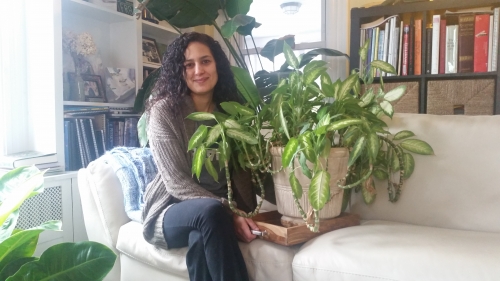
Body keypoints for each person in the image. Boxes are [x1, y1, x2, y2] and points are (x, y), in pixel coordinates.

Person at [142, 32, 267, 281]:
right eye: (189, 64)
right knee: (211, 212)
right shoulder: (164, 111)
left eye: (205, 61)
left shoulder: (231, 111)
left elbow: (251, 169)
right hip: (170, 211)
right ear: (180, 71)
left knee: (201, 239)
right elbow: (176, 182)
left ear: (217, 65)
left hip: (214, 216)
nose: (198, 70)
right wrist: (230, 212)